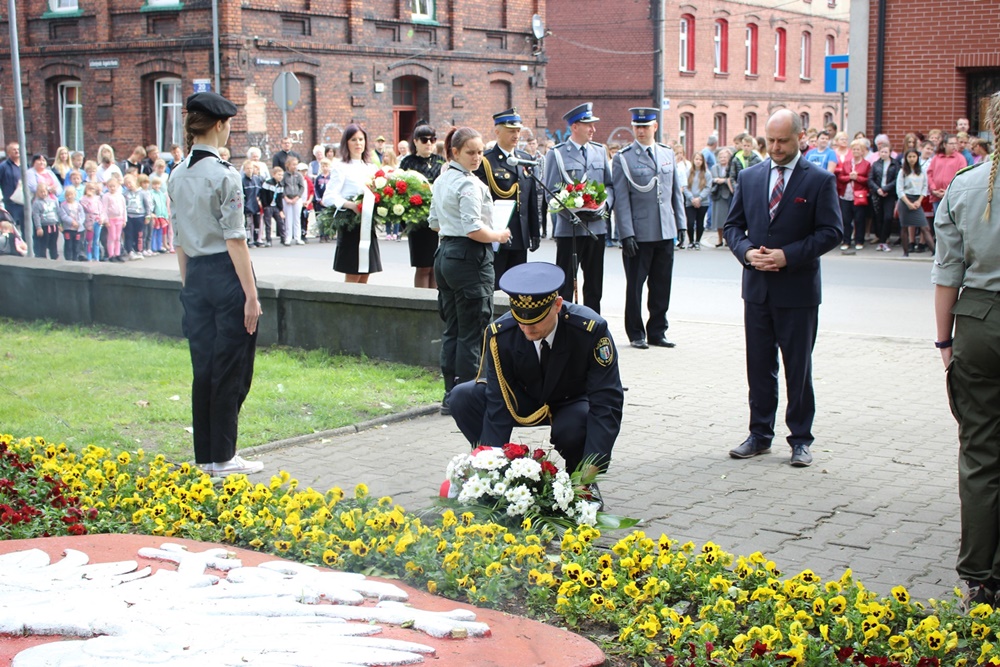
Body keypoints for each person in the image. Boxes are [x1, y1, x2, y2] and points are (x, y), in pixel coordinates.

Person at [723, 109, 843, 468]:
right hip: (757, 289)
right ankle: (759, 435)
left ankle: (801, 440)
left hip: (798, 292)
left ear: (799, 138)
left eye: (783, 141)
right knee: (759, 366)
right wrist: (746, 253)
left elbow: (831, 232)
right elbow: (732, 226)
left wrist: (786, 256)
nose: (775, 147)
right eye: (770, 140)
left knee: (797, 368)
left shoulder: (819, 180)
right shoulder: (749, 176)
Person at [447, 262, 624, 491]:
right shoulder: (501, 335)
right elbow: (497, 404)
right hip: (525, 398)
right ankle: (504, 474)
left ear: (557, 305)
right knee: (463, 396)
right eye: (520, 319)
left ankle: (579, 483)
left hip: (571, 401)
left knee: (575, 425)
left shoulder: (590, 331)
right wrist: (489, 475)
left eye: (536, 320)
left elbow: (606, 403)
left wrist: (590, 473)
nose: (527, 328)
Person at [170, 91, 263, 476]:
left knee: (204, 368)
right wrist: (251, 294)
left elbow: (178, 239)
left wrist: (189, 286)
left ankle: (206, 456)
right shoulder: (225, 175)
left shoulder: (176, 174)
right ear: (221, 125)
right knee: (232, 368)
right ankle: (224, 457)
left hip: (195, 275)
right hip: (227, 274)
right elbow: (236, 239)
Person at [933, 91, 1000, 609]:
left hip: (977, 322)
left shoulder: (964, 185)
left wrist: (944, 341)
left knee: (979, 451)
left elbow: (947, 275)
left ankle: (980, 575)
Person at [429, 126, 511, 415]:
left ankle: (450, 394)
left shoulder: (441, 180)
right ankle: (466, 396)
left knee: (454, 329)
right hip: (469, 257)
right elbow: (474, 228)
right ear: (454, 152)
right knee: (473, 331)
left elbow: (434, 222)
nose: (477, 157)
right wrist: (499, 235)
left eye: (479, 152)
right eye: (470, 152)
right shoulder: (468, 185)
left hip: (446, 254)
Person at [611, 107, 686, 350]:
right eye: (637, 127)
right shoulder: (623, 157)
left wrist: (681, 225)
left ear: (655, 127)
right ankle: (635, 332)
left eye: (645, 126)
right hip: (639, 233)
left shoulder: (666, 154)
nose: (641, 131)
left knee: (662, 284)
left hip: (665, 229)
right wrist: (626, 233)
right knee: (635, 286)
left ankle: (657, 331)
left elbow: (675, 193)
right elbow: (621, 199)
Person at [544, 103, 615, 313]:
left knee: (594, 284)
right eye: (588, 125)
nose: (593, 129)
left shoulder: (600, 151)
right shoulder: (556, 154)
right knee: (565, 283)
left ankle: (592, 324)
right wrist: (571, 211)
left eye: (593, 125)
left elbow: (609, 185)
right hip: (570, 228)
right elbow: (550, 192)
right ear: (575, 126)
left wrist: (605, 204)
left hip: (596, 227)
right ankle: (565, 324)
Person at [474, 108, 541, 288]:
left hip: (520, 233)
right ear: (497, 131)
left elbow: (530, 199)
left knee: (519, 287)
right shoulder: (487, 161)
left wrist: (534, 231)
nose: (516, 135)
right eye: (511, 130)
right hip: (497, 234)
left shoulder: (525, 159)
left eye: (518, 130)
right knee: (496, 285)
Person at [323, 123, 381, 283]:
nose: (358, 143)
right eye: (353, 139)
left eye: (361, 139)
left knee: (365, 273)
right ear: (346, 143)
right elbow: (328, 197)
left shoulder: (371, 168)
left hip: (367, 223)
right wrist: (351, 205)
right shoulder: (341, 167)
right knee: (353, 273)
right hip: (351, 225)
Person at [399, 122, 446, 289]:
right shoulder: (408, 162)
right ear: (416, 141)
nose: (429, 144)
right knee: (423, 266)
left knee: (436, 266)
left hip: (439, 220)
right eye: (424, 140)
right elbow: (401, 191)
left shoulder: (441, 161)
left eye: (432, 140)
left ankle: (434, 302)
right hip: (418, 220)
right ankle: (421, 301)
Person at [835, 139, 871, 252]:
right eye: (854, 149)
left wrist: (857, 178)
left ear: (862, 151)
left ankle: (859, 241)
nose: (855, 151)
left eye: (858, 149)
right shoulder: (846, 163)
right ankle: (846, 241)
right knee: (846, 219)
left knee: (859, 219)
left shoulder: (866, 164)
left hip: (859, 196)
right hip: (846, 195)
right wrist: (850, 177)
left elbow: (868, 180)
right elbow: (840, 177)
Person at [896, 148, 929, 258]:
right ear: (906, 158)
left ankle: (934, 252)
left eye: (914, 156)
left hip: (917, 199)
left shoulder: (922, 171)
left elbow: (925, 187)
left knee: (924, 227)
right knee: (905, 227)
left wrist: (919, 201)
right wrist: (908, 203)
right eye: (909, 157)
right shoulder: (903, 171)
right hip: (905, 199)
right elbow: (899, 189)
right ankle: (906, 252)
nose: (912, 159)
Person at [868, 144, 900, 252]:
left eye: (886, 152)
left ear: (890, 152)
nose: (883, 154)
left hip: (889, 194)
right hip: (877, 194)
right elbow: (870, 179)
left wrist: (886, 189)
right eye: (881, 152)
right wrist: (878, 189)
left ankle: (884, 240)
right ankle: (881, 241)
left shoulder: (895, 164)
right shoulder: (876, 164)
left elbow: (897, 179)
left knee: (888, 217)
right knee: (878, 218)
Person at [685, 152, 711, 250]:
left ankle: (697, 241)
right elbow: (685, 187)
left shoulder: (707, 173)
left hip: (702, 202)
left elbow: (708, 188)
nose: (698, 161)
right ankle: (691, 241)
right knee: (690, 222)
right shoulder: (688, 172)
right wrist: (692, 198)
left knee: (700, 222)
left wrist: (699, 198)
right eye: (696, 159)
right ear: (693, 160)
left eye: (700, 159)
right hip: (690, 202)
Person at [710, 148, 733, 248]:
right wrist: (717, 180)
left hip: (728, 194)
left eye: (724, 157)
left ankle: (727, 239)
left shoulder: (731, 167)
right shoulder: (715, 167)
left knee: (727, 218)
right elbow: (712, 178)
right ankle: (719, 239)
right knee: (718, 219)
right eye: (720, 157)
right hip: (718, 194)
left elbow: (731, 179)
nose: (722, 159)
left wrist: (723, 180)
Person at [280, 156, 306, 246]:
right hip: (287, 199)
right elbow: (281, 186)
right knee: (288, 219)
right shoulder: (284, 175)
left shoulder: (299, 175)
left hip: (296, 199)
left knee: (297, 218)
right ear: (288, 165)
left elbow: (302, 187)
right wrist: (285, 197)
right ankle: (288, 237)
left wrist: (297, 197)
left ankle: (298, 237)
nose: (295, 166)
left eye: (296, 164)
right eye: (293, 164)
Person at [31, 182, 60, 260]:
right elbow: (36, 216)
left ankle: (55, 258)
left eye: (44, 191)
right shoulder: (36, 203)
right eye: (41, 192)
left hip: (54, 225)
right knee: (43, 244)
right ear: (37, 192)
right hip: (44, 226)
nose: (43, 193)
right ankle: (42, 259)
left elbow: (57, 212)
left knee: (53, 243)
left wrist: (60, 224)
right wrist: (38, 227)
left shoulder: (53, 201)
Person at [0, 142, 24, 235]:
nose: (17, 151)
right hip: (10, 203)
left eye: (18, 149)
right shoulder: (3, 167)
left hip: (24, 203)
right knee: (12, 228)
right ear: (8, 152)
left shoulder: (25, 164)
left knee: (27, 228)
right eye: (14, 149)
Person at [58, 185, 85, 261]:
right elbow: (63, 216)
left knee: (77, 244)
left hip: (77, 229)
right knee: (68, 244)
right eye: (67, 195)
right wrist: (72, 222)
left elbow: (82, 215)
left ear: (75, 195)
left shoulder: (78, 205)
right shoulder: (63, 206)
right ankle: (68, 258)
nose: (69, 197)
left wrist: (79, 223)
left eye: (71, 195)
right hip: (68, 229)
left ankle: (75, 258)